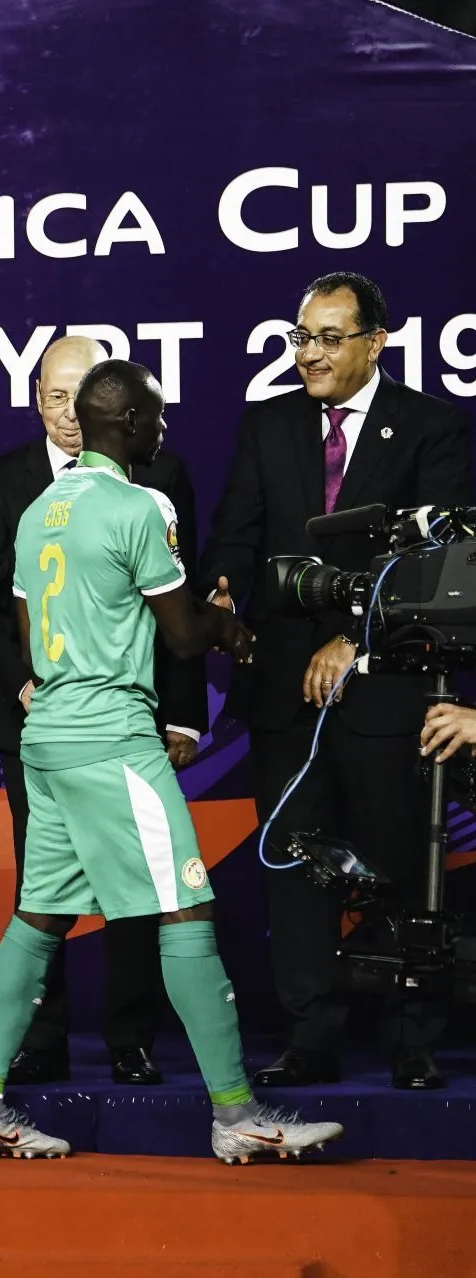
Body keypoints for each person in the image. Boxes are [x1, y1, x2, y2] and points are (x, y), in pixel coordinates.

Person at [0, 359, 343, 1164]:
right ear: (126, 424)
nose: (162, 429)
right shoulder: (141, 505)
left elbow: (26, 640)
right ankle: (238, 1117)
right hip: (114, 740)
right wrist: (229, 629)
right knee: (187, 909)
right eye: (154, 417)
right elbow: (184, 636)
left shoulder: (37, 512)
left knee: (39, 915)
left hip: (48, 737)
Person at [199, 272, 471, 1091]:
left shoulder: (432, 427)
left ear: (374, 342)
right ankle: (311, 1033)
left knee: (396, 859)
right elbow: (237, 533)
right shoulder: (269, 422)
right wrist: (219, 591)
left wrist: (354, 637)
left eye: (327, 338)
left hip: (389, 692)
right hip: (286, 690)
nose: (308, 354)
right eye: (300, 337)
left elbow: (438, 560)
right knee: (299, 866)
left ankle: (410, 1034)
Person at [0, 335, 204, 1087]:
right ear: (36, 396)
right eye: (55, 396)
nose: (68, 413)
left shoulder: (159, 476)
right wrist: (32, 685)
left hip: (132, 721)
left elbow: (175, 609)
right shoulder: (4, 483)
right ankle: (40, 1038)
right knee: (43, 893)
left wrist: (184, 716)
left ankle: (130, 1036)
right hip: (41, 722)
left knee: (140, 886)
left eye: (81, 394)